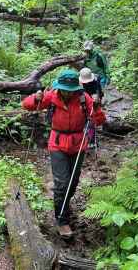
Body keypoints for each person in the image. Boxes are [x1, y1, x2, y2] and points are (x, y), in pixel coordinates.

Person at [21, 69, 106, 237]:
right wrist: (36, 97)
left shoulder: (84, 98)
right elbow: (27, 105)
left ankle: (65, 204)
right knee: (61, 183)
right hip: (57, 143)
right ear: (59, 87)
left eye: (70, 90)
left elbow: (99, 120)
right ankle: (62, 220)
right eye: (64, 90)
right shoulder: (52, 95)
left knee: (73, 182)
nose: (67, 93)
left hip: (78, 143)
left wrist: (96, 106)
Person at [79, 67, 103, 148]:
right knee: (84, 119)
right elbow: (79, 93)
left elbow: (99, 91)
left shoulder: (96, 80)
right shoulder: (79, 83)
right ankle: (83, 138)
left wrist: (97, 97)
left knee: (92, 120)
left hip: (94, 101)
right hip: (83, 101)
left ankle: (91, 140)